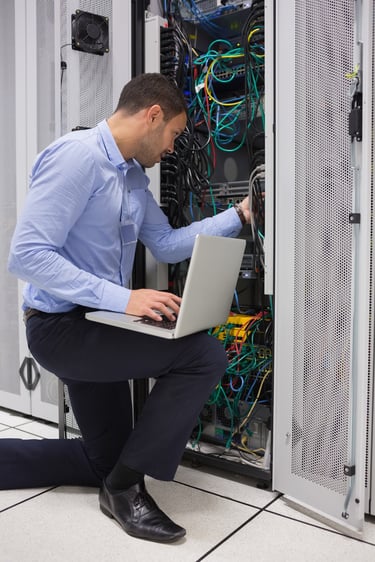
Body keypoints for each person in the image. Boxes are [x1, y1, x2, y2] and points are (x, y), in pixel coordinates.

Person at [5, 73, 251, 543]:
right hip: (59, 328)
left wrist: (238, 216)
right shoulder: (76, 158)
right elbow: (28, 256)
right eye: (174, 134)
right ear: (152, 115)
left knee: (103, 458)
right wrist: (126, 299)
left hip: (98, 322)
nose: (173, 148)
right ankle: (123, 492)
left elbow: (166, 244)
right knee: (202, 357)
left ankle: (109, 477)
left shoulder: (133, 176)